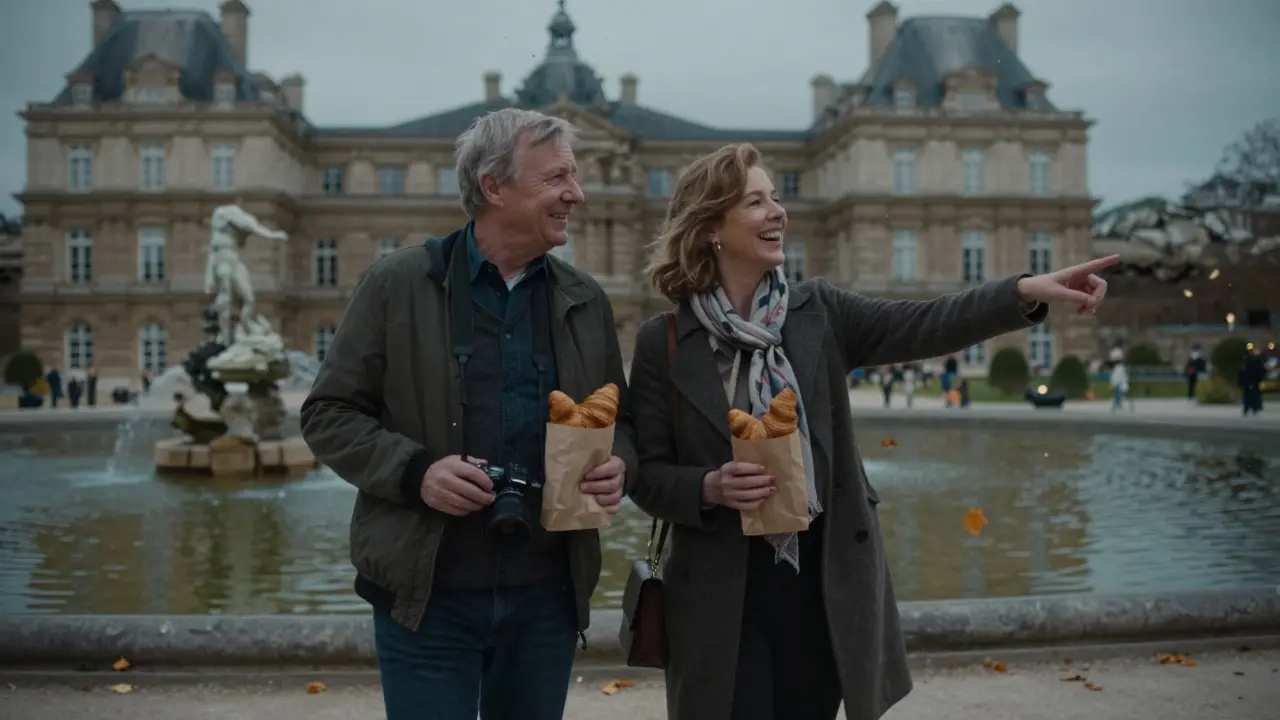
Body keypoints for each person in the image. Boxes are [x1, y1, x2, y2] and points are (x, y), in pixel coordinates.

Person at [625, 143, 1116, 720]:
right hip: (719, 596)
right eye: (756, 202)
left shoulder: (819, 313)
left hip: (823, 588)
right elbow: (648, 475)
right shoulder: (663, 344)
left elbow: (923, 324)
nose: (779, 211)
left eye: (777, 197)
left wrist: (1023, 293)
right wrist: (709, 487)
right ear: (711, 227)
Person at [300, 108, 636, 720]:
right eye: (557, 177)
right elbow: (327, 414)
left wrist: (620, 466)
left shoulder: (585, 300)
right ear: (493, 186)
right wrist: (417, 473)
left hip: (546, 597)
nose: (576, 193)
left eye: (576, 176)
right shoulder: (397, 283)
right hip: (427, 599)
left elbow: (625, 425)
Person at [1238, 348, 1265, 415]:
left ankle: (1250, 408)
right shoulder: (1249, 360)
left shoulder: (1247, 360)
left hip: (1251, 380)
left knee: (1250, 394)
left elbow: (1242, 371)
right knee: (1251, 394)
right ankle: (1251, 407)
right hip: (1251, 380)